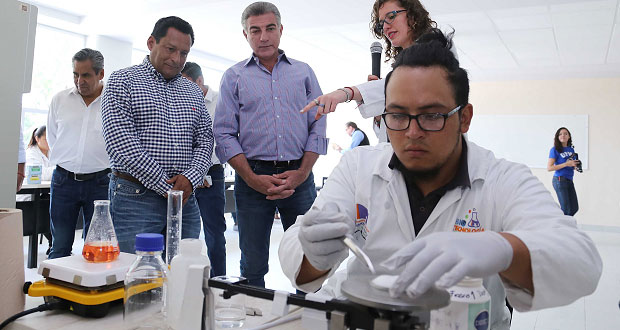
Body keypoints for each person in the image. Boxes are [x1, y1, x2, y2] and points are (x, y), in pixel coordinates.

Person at [279, 30, 602, 329]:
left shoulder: (502, 178)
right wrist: (315, 255)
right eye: (398, 115)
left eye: (432, 115)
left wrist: (504, 248)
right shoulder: (358, 167)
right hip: (361, 319)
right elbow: (297, 256)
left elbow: (582, 261)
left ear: (465, 118)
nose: (412, 132)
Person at [214, 1, 327, 287]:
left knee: (309, 255)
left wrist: (301, 173)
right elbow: (224, 133)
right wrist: (251, 178)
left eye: (269, 28)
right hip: (252, 178)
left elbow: (319, 125)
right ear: (245, 34)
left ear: (280, 30)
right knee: (252, 262)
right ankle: (254, 316)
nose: (263, 37)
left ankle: (308, 313)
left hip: (299, 177)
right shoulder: (234, 76)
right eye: (255, 30)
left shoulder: (304, 72)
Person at [102, 17, 213, 253]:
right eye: (170, 49)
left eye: (184, 53)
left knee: (185, 274)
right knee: (137, 276)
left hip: (185, 199)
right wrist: (167, 186)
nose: (177, 59)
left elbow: (205, 139)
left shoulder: (192, 90)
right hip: (136, 197)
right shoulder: (123, 81)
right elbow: (120, 142)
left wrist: (191, 177)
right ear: (151, 42)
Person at [301, 0, 439, 142]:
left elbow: (414, 82)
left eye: (391, 16)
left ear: (413, 15)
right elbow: (384, 136)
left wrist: (345, 93)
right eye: (381, 23)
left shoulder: (437, 45)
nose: (385, 26)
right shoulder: (401, 66)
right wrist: (380, 113)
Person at [46, 48, 111, 259]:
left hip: (101, 183)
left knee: (95, 249)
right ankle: (56, 294)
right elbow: (53, 138)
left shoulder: (114, 102)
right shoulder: (60, 100)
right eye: (75, 74)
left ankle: (90, 290)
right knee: (60, 247)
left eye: (86, 75)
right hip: (64, 181)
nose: (79, 81)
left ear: (100, 74)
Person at [181, 61, 226, 277]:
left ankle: (219, 281)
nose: (184, 89)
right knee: (185, 233)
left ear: (200, 81)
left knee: (214, 233)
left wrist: (203, 171)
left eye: (188, 84)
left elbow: (226, 138)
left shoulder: (221, 101)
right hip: (182, 174)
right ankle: (184, 279)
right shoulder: (180, 99)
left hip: (212, 174)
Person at [547, 127, 580, 216]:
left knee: (574, 208)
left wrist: (575, 166)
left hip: (569, 179)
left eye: (565, 133)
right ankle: (562, 228)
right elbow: (549, 168)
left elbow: (570, 164)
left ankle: (565, 227)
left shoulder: (571, 149)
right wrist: (566, 164)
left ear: (569, 136)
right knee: (566, 209)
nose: (563, 135)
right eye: (560, 134)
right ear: (557, 137)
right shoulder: (554, 150)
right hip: (559, 180)